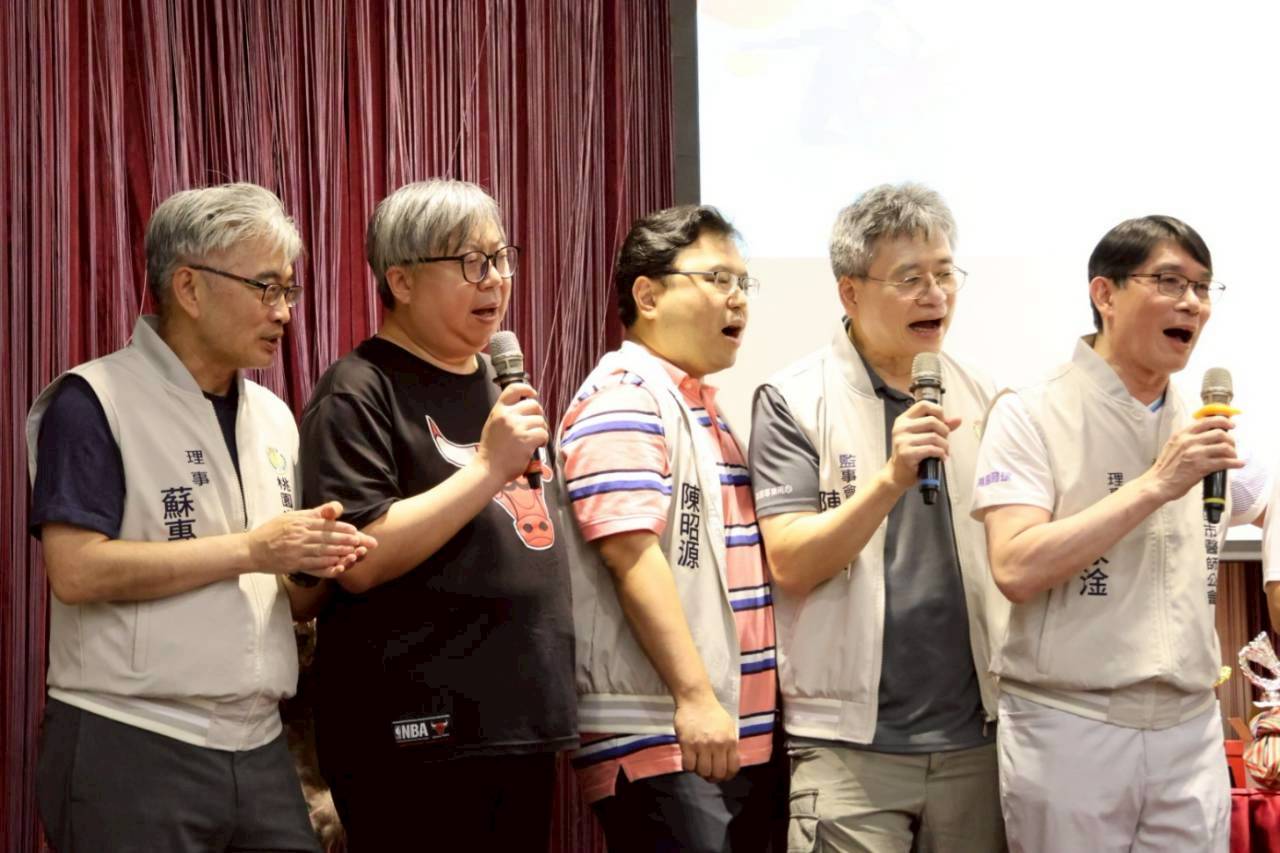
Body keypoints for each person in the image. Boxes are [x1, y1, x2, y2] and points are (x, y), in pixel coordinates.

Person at [26, 182, 373, 853]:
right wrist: (254, 548)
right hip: (131, 736)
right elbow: (75, 571)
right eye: (266, 287)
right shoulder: (94, 399)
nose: (284, 312)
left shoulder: (273, 415)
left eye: (290, 291)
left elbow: (288, 596)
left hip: (261, 741)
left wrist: (316, 563)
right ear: (188, 287)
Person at [298, 179, 576, 851]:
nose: (496, 279)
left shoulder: (498, 385)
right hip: (415, 729)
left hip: (517, 721)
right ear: (401, 280)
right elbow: (358, 555)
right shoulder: (358, 391)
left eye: (501, 258)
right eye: (471, 263)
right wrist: (486, 468)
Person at [973, 215, 1266, 851]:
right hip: (1070, 726)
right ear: (1105, 294)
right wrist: (1156, 484)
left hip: (1190, 729)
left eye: (1203, 287)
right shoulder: (1029, 411)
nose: (1192, 303)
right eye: (1170, 282)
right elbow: (1015, 567)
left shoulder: (1200, 422)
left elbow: (1267, 505)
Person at [748, 183, 1007, 852]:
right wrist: (891, 480)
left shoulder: (988, 395)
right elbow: (791, 561)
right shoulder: (794, 398)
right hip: (848, 747)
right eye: (910, 278)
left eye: (945, 274)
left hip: (978, 739)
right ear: (850, 292)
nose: (935, 295)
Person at [556, 204, 779, 852]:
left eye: (743, 282)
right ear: (647, 296)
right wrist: (695, 696)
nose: (737, 298)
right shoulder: (626, 396)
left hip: (719, 731)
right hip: (664, 727)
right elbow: (631, 556)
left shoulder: (696, 403)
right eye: (716, 279)